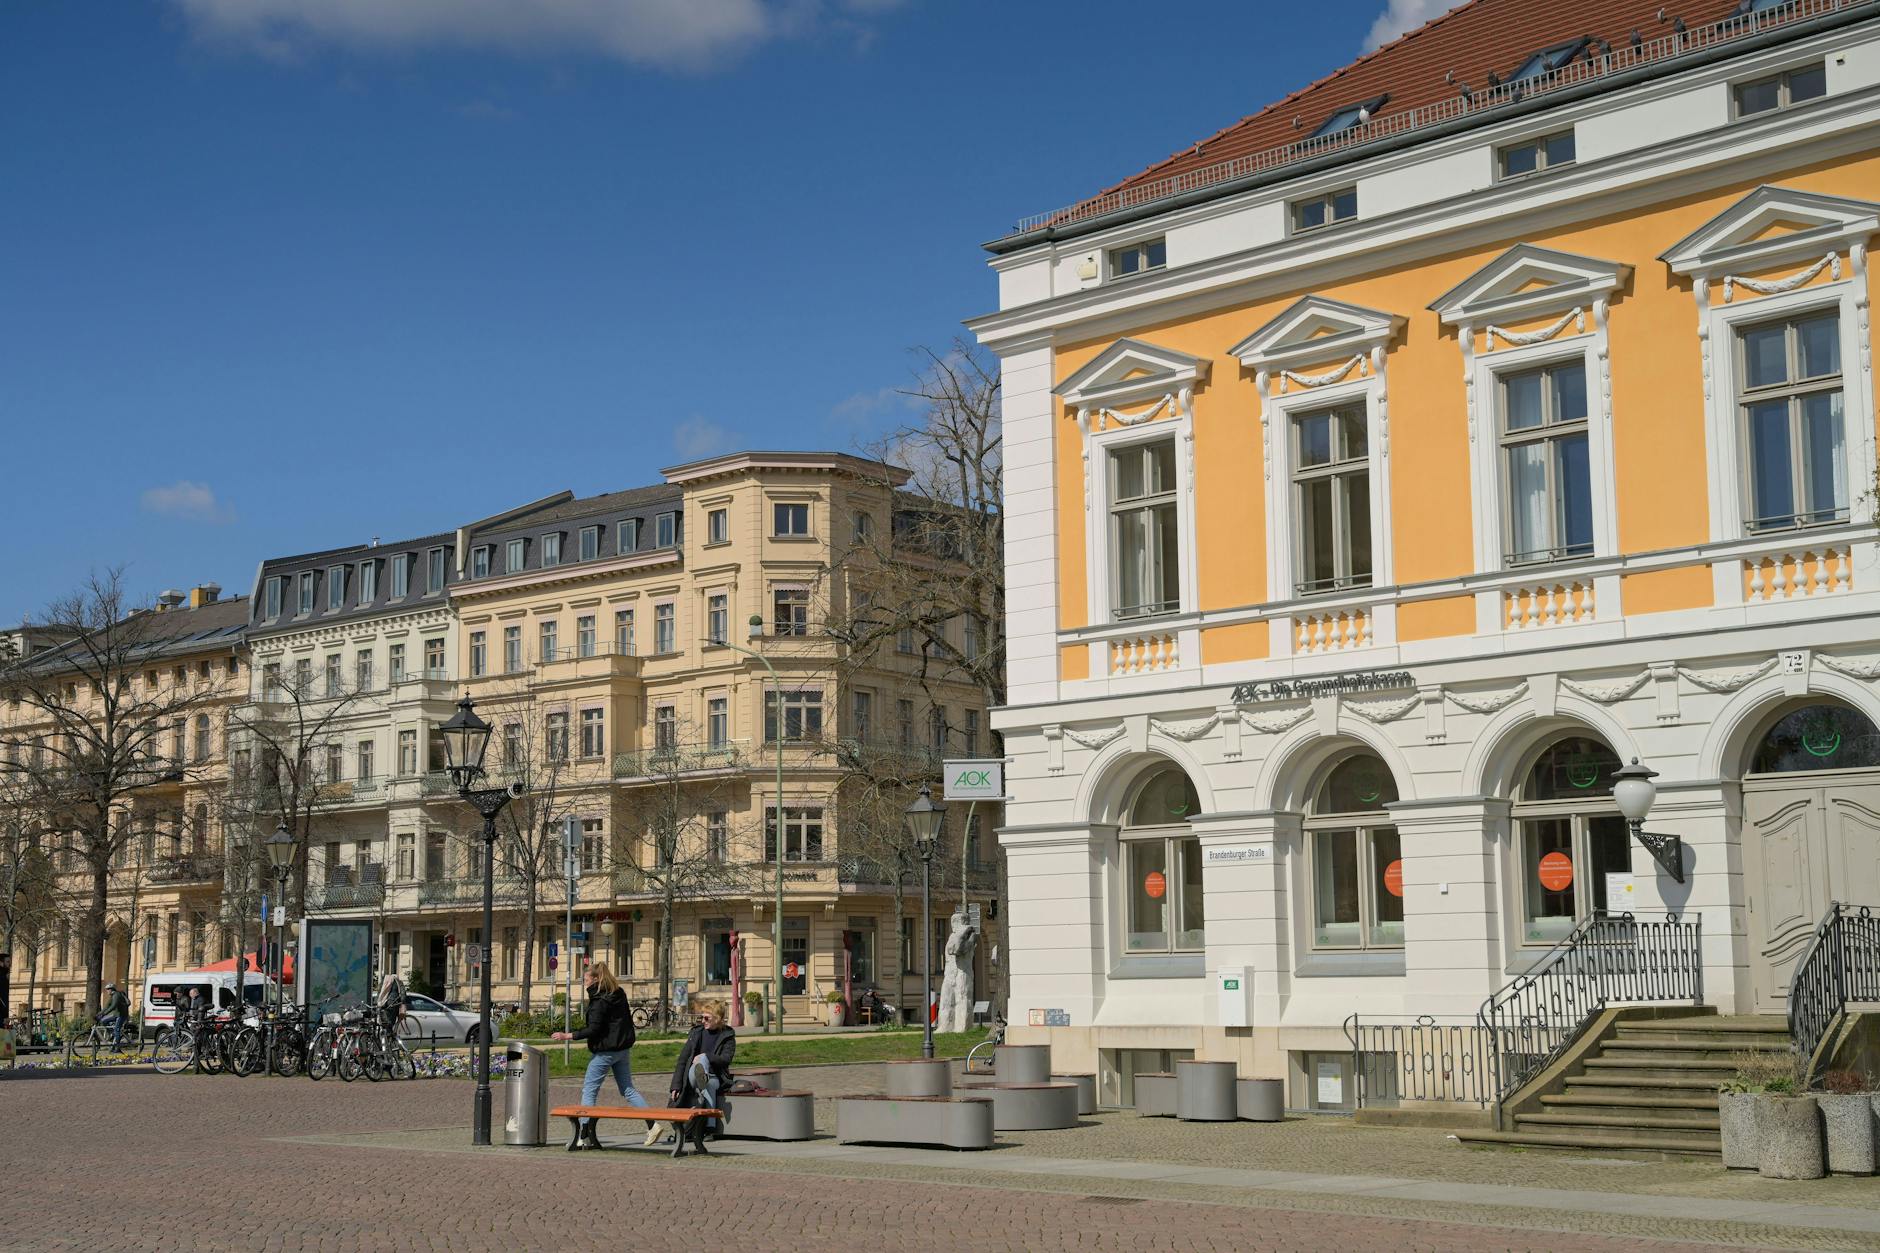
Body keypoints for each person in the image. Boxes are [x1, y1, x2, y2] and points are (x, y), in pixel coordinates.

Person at [550, 962, 645, 1151]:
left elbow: (593, 1029)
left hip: (605, 1051)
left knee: (589, 1090)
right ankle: (653, 1125)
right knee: (628, 1090)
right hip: (622, 1049)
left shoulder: (599, 1000)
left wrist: (567, 1036)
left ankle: (584, 1135)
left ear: (595, 979)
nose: (583, 982)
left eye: (585, 979)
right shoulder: (618, 993)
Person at [649, 998, 735, 1146]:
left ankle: (703, 1079)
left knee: (708, 1082)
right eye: (702, 1017)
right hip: (692, 1076)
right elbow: (683, 1060)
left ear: (717, 1018)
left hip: (715, 1077)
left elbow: (726, 1059)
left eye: (707, 1018)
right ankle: (710, 1129)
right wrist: (676, 1086)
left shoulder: (727, 1035)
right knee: (699, 1069)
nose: (703, 1021)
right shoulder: (697, 1033)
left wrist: (706, 1057)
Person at [97, 982, 129, 1049]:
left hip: (121, 1015)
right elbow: (107, 1006)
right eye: (106, 989)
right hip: (116, 1015)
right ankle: (112, 1034)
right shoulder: (112, 996)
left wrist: (104, 1014)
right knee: (104, 1021)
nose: (107, 991)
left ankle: (117, 1048)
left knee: (117, 1030)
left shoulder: (116, 995)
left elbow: (113, 1006)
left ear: (111, 989)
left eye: (108, 989)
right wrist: (99, 1014)